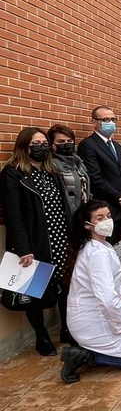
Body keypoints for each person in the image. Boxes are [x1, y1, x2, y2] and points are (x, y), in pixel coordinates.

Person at [61, 200, 121, 383]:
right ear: (88, 226)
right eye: (100, 218)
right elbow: (105, 298)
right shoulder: (97, 253)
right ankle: (85, 356)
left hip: (102, 309)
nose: (107, 221)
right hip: (93, 319)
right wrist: (120, 325)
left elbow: (102, 287)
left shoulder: (102, 246)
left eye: (108, 216)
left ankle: (117, 342)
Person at [0, 127, 72, 355]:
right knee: (34, 290)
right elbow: (14, 214)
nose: (41, 147)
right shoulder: (13, 172)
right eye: (35, 144)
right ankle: (41, 336)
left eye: (43, 143)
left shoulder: (52, 171)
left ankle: (66, 329)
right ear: (24, 146)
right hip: (35, 241)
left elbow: (63, 206)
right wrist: (23, 248)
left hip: (59, 237)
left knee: (64, 285)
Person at [77, 105, 121, 242]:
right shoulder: (88, 145)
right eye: (105, 119)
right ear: (94, 123)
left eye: (113, 119)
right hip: (106, 208)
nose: (111, 123)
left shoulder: (117, 146)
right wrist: (120, 198)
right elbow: (95, 178)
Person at [48, 124, 91, 215]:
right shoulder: (51, 164)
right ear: (52, 144)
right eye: (61, 141)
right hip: (66, 215)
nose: (66, 144)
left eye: (69, 141)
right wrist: (74, 214)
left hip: (84, 212)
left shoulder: (78, 162)